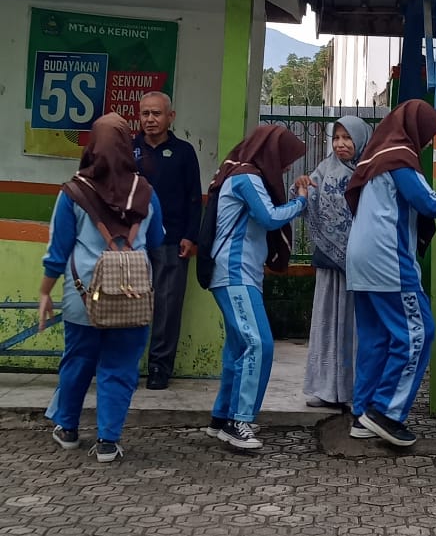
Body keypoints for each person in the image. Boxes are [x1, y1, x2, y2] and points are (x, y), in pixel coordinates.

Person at [38, 113, 165, 463]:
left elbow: (57, 251)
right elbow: (158, 240)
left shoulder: (74, 192)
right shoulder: (146, 192)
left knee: (77, 360)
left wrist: (45, 292)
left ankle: (67, 428)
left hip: (83, 297)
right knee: (120, 366)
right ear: (127, 147)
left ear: (92, 146)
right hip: (133, 296)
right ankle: (108, 441)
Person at [344, 99, 436, 448]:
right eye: (427, 134)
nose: (427, 142)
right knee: (419, 333)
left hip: (361, 259)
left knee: (375, 339)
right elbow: (429, 202)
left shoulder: (376, 157)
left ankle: (363, 414)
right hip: (388, 260)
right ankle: (386, 413)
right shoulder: (398, 157)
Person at [205, 124, 309, 452]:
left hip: (236, 273)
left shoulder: (239, 173)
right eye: (285, 158)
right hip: (235, 273)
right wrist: (301, 202)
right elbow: (269, 217)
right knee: (259, 343)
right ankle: (239, 421)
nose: (287, 166)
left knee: (238, 347)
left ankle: (222, 418)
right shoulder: (247, 177)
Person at [296, 115, 373, 410]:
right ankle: (325, 388)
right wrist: (302, 188)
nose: (340, 144)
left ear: (361, 139)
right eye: (336, 138)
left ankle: (355, 392)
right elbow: (308, 199)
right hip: (330, 264)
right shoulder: (324, 168)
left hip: (362, 264)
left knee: (356, 327)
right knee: (327, 323)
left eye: (347, 137)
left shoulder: (370, 171)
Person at [133, 91, 202, 390]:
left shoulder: (184, 152)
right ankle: (125, 365)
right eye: (145, 113)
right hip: (132, 243)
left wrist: (190, 235)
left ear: (170, 117)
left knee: (167, 307)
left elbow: (194, 198)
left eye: (156, 113)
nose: (150, 119)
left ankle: (159, 368)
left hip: (172, 242)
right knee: (128, 304)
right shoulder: (129, 149)